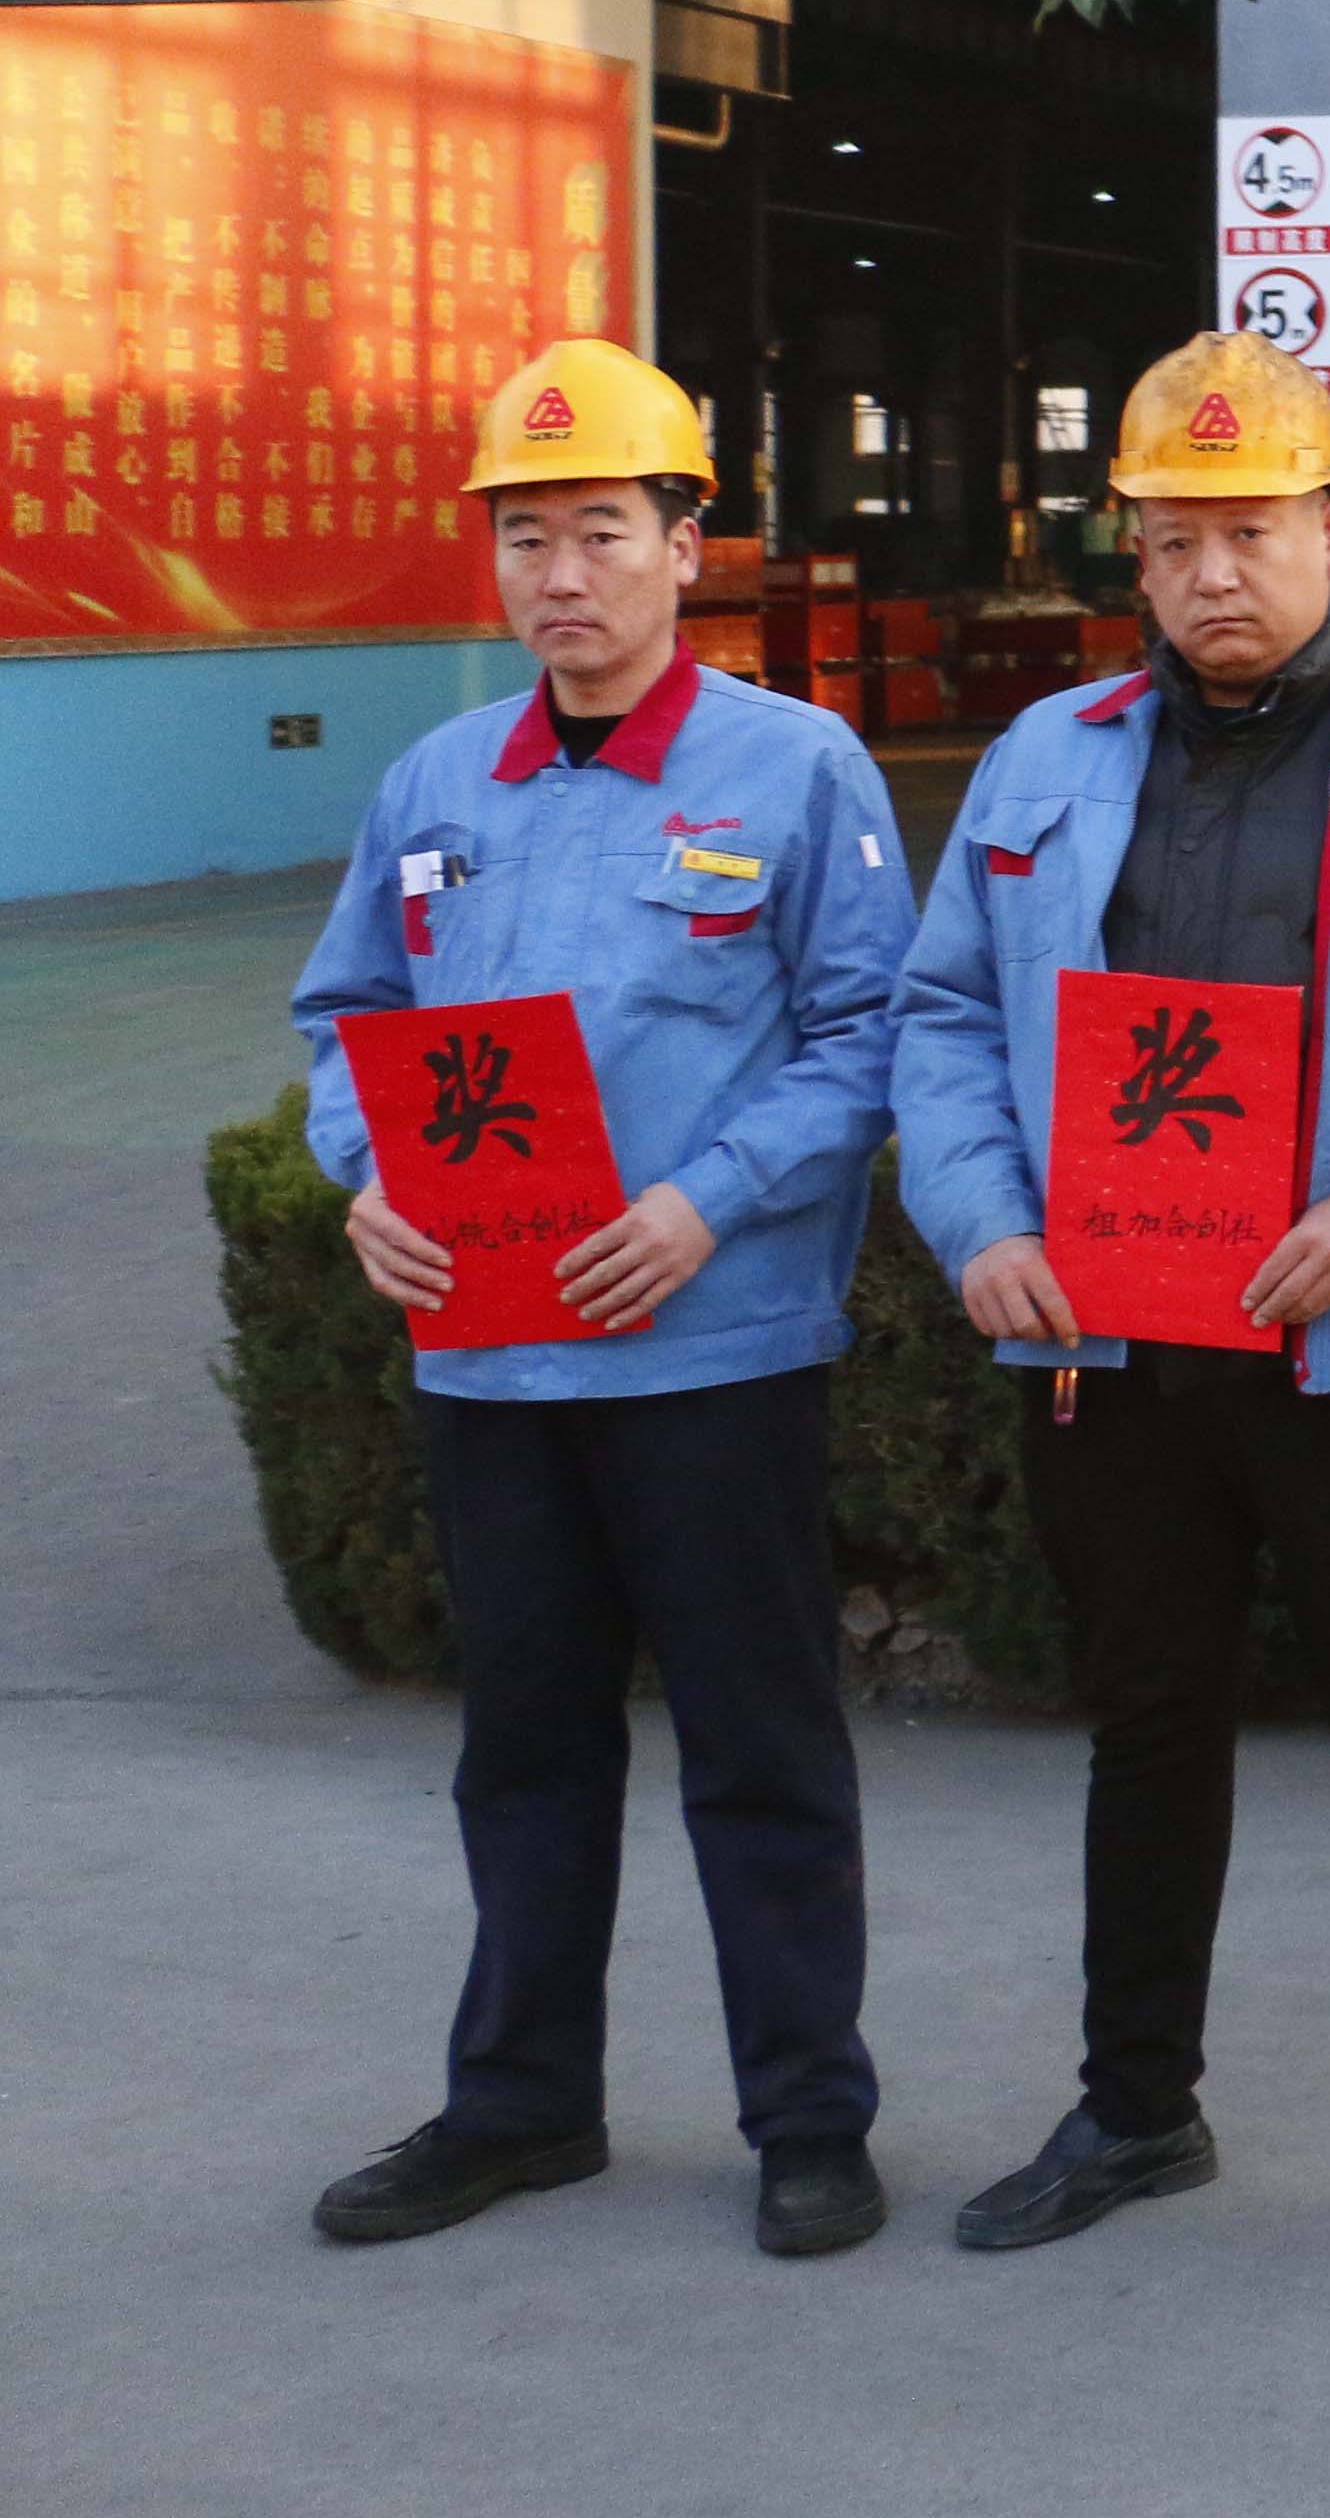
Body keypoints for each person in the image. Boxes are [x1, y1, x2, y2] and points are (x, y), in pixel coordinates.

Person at [891, 331, 1330, 2286]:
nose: (1215, 572)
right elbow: (945, 1013)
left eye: (1254, 530)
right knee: (1148, 1725)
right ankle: (1136, 2105)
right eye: (1177, 537)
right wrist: (981, 1223)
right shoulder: (1045, 766)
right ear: (1133, 551)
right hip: (1111, 1345)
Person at [289, 340, 916, 2260]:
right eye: (527, 538)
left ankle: (807, 2116)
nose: (560, 576)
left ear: (685, 546)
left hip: (711, 1356)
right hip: (491, 1364)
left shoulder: (794, 771)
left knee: (760, 1750)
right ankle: (521, 2103)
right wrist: (369, 1178)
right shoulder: (435, 781)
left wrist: (703, 1204)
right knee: (526, 1750)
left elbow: (870, 1035)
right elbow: (349, 1015)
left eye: (601, 533)